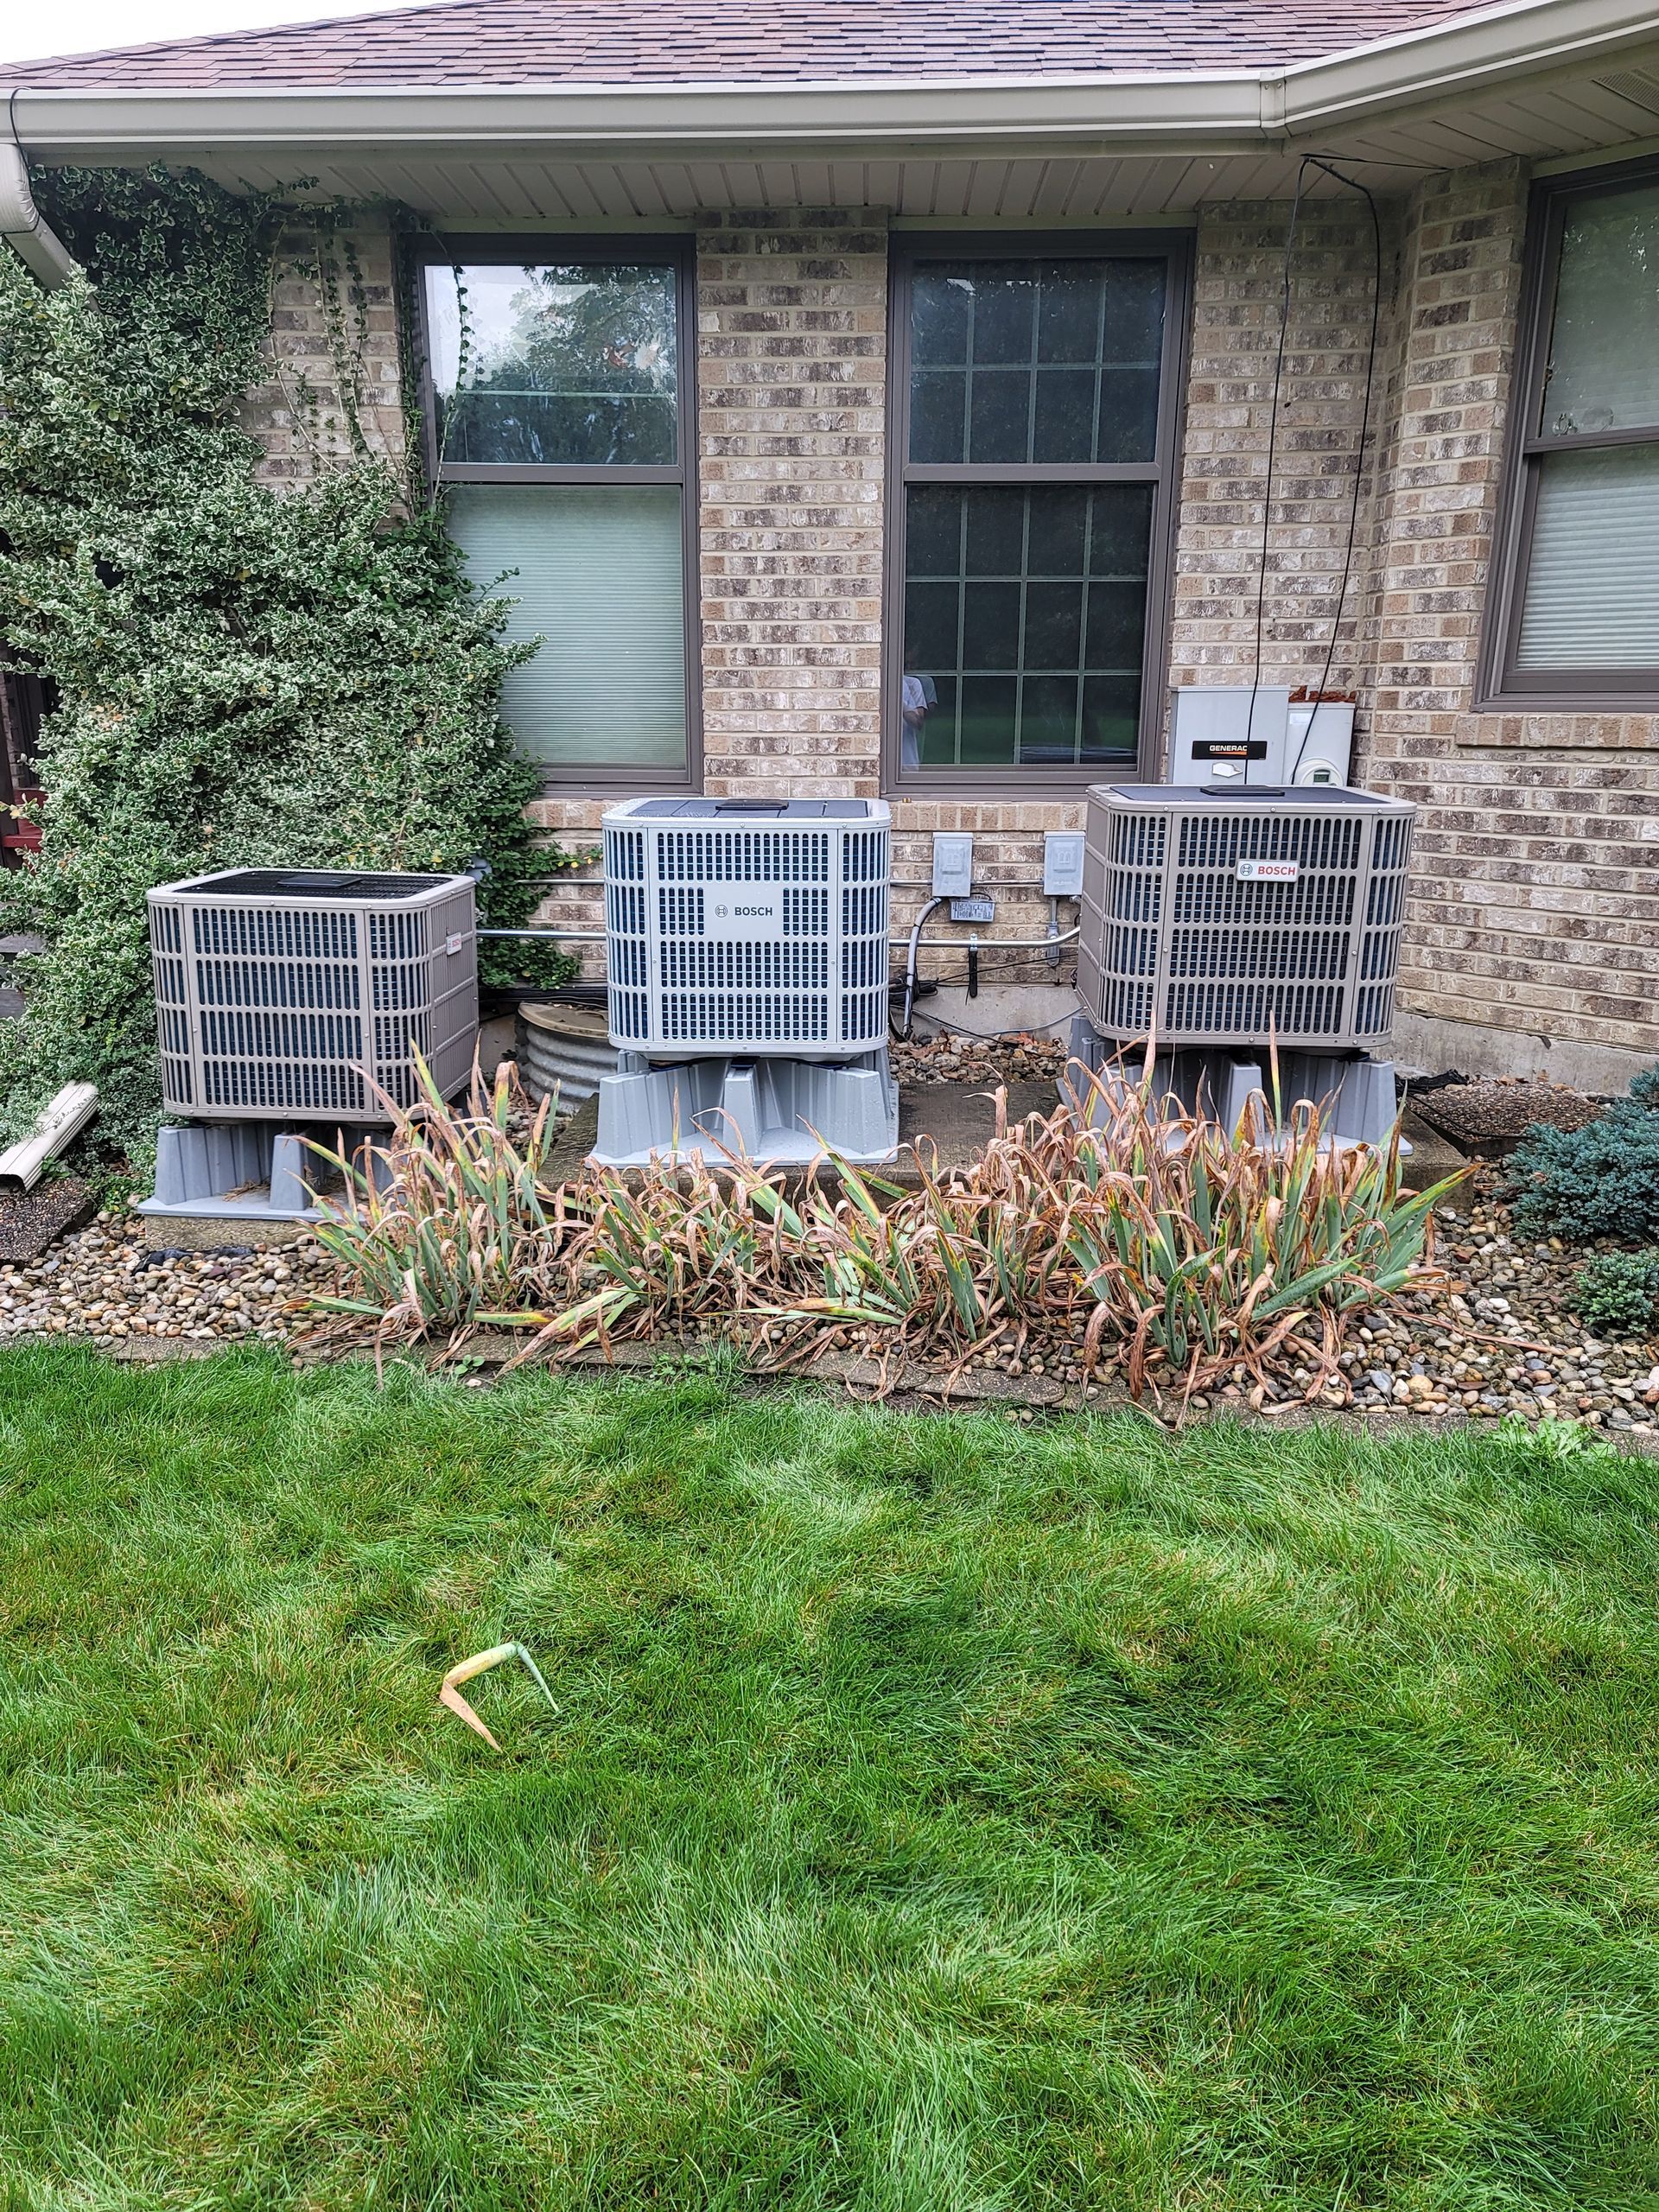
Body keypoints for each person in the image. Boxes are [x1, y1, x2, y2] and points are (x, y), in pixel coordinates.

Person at [900, 643, 938, 770]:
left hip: (907, 767)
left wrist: (898, 703)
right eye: (907, 664)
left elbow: (918, 723)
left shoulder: (912, 684)